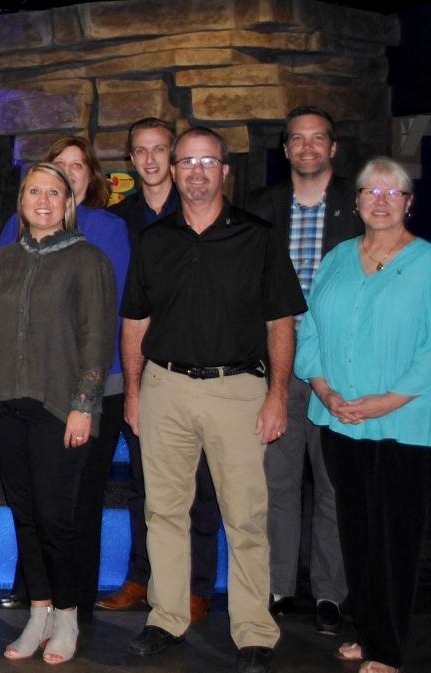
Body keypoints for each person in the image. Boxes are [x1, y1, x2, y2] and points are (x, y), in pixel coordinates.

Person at [122, 127, 305, 673]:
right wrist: (133, 391)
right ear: (172, 171)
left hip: (238, 391)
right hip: (165, 388)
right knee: (164, 510)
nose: (196, 171)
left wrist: (276, 395)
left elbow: (280, 322)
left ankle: (253, 629)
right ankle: (167, 615)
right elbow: (135, 320)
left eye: (208, 161)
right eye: (186, 162)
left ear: (225, 170)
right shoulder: (155, 241)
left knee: (245, 515)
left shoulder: (259, 236)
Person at [0, 162, 115, 664]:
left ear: (70, 204)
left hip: (59, 408)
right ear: (22, 201)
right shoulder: (3, 262)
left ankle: (68, 616)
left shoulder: (89, 260)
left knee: (58, 518)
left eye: (56, 193)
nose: (45, 200)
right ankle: (39, 612)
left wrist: (84, 408)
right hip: (6, 404)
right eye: (35, 191)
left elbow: (97, 340)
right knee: (26, 516)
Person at [295, 157, 431, 673]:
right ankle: (370, 634)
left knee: (394, 537)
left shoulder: (426, 263)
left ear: (409, 203)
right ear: (355, 202)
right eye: (370, 192)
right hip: (339, 419)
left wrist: (389, 400)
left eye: (392, 193)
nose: (380, 200)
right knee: (355, 533)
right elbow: (310, 331)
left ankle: (390, 650)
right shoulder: (335, 259)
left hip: (404, 423)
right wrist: (326, 392)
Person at [0, 137, 131, 620]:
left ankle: (72, 605)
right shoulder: (11, 242)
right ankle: (38, 602)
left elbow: (99, 324)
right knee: (30, 507)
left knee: (70, 506)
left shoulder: (101, 240)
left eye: (76, 168)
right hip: (19, 391)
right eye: (55, 170)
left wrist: (86, 398)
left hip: (81, 390)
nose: (51, 192)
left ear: (82, 185)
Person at [98, 118, 220, 624]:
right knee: (147, 483)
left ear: (172, 156)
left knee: (199, 483)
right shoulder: (116, 219)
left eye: (159, 150)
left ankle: (195, 586)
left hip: (192, 361)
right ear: (130, 160)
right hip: (137, 363)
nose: (149, 160)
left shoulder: (198, 210)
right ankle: (143, 578)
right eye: (140, 152)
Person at [246, 106, 357, 633]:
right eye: (298, 139)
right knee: (278, 481)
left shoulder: (360, 207)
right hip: (279, 366)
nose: (308, 147)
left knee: (334, 484)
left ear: (333, 148)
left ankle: (331, 594)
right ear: (285, 149)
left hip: (341, 369)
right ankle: (279, 586)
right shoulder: (260, 207)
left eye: (318, 139)